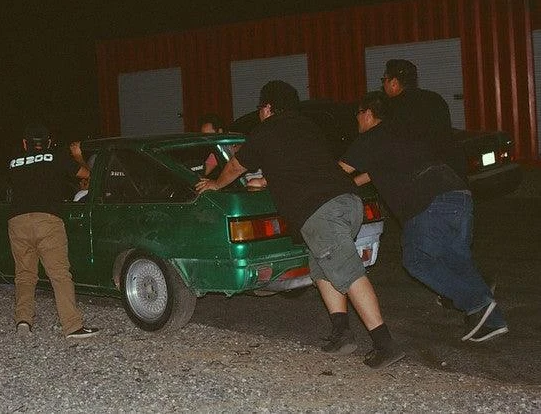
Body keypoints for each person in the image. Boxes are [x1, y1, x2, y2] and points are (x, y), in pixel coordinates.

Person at [196, 80, 404, 369]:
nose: (260, 113)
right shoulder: (306, 127)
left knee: (348, 271)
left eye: (260, 107)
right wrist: (267, 181)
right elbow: (300, 166)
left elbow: (235, 165)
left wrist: (216, 184)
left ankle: (385, 344)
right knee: (322, 269)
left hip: (322, 210)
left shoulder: (267, 130)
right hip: (348, 200)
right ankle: (341, 333)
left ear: (268, 108)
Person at [338, 91, 508, 342]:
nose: (357, 120)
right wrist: (351, 185)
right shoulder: (401, 135)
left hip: (429, 201)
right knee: (457, 261)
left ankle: (476, 301)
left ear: (368, 114)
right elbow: (372, 174)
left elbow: (338, 172)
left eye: (358, 114)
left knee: (417, 260)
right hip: (458, 193)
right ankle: (492, 322)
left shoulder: (371, 137)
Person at [6, 124, 99, 339]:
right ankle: (72, 326)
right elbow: (89, 176)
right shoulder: (56, 157)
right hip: (47, 220)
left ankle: (23, 321)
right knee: (59, 274)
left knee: (24, 274)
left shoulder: (13, 162)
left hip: (17, 221)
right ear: (48, 143)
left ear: (24, 143)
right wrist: (78, 157)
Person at [381, 58, 467, 180]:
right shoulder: (435, 98)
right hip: (449, 171)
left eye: (384, 80)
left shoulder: (392, 107)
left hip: (419, 176)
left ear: (394, 82)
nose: (383, 85)